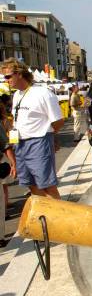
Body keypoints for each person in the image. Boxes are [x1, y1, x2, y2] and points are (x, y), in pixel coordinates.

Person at [1, 58, 64, 200]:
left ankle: (58, 217)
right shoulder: (17, 95)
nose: (6, 80)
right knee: (31, 184)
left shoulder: (43, 93)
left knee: (47, 185)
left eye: (8, 76)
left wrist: (49, 137)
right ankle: (44, 214)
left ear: (20, 74)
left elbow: (58, 121)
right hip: (20, 143)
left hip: (38, 142)